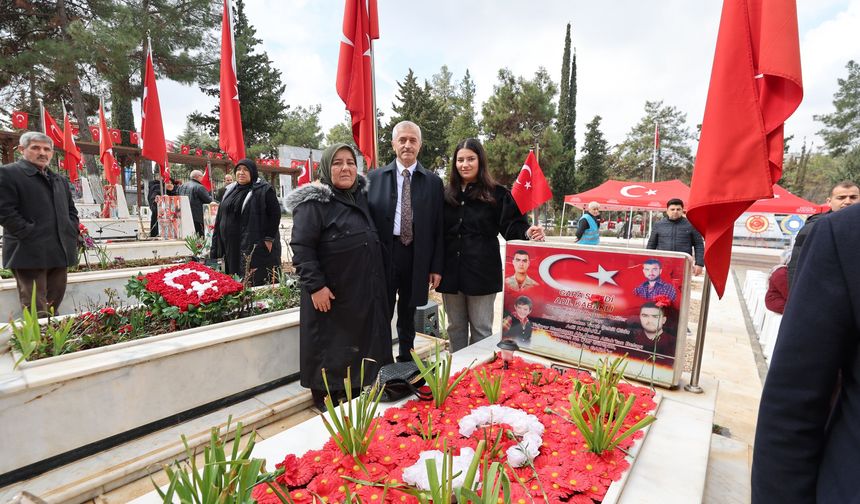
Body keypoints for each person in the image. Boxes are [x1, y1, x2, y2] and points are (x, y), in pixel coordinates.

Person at [751, 203, 860, 503]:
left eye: (853, 195)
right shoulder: (843, 234)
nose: (848, 200)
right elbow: (793, 398)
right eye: (843, 196)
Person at [286, 143, 392, 409]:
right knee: (329, 349)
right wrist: (316, 286)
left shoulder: (361, 198)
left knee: (355, 348)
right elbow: (302, 247)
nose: (345, 168)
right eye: (337, 163)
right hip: (329, 295)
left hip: (358, 292)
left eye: (351, 162)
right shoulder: (314, 203)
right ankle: (327, 400)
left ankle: (355, 393)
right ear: (326, 168)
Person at [436, 138, 544, 351]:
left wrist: (527, 232)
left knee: (481, 329)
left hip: (481, 273)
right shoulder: (446, 194)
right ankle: (455, 374)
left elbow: (512, 227)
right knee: (455, 327)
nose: (465, 164)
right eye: (460, 160)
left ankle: (476, 378)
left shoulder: (497, 194)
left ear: (480, 161)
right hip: (450, 272)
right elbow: (437, 232)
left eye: (470, 159)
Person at [367, 120, 444, 362]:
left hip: (417, 255)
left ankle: (406, 360)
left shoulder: (433, 182)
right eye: (402, 140)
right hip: (385, 255)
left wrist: (436, 267)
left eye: (412, 140)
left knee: (409, 312)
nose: (407, 145)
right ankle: (381, 361)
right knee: (382, 310)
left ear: (420, 145)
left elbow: (438, 227)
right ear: (393, 144)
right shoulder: (374, 178)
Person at [0, 131, 79, 315]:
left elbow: (71, 210)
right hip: (28, 251)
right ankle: (38, 342)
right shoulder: (8, 174)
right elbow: (4, 210)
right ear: (22, 149)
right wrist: (28, 232)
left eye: (47, 149)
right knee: (36, 308)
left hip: (59, 250)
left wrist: (70, 229)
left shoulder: (59, 179)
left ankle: (53, 341)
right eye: (35, 148)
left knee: (54, 304)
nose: (42, 153)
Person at [210, 159, 281, 286]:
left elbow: (275, 215)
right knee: (233, 274)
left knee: (251, 275)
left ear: (252, 172)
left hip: (252, 241)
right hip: (231, 243)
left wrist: (269, 239)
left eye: (245, 170)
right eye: (238, 170)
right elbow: (221, 216)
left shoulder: (264, 190)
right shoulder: (230, 189)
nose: (241, 173)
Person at [787, 181, 858, 288]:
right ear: (829, 202)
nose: (847, 201)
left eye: (853, 197)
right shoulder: (813, 228)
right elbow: (797, 267)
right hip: (825, 296)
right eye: (841, 198)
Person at [646, 198, 705, 275]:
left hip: (683, 264)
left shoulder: (691, 225)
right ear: (667, 211)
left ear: (682, 210)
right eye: (672, 209)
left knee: (682, 287)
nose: (675, 211)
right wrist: (647, 262)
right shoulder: (658, 225)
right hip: (662, 265)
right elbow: (651, 245)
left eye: (678, 209)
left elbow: (699, 245)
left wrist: (699, 264)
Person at [176, 169, 213, 236]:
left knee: (189, 236)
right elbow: (208, 200)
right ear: (198, 176)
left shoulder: (181, 186)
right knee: (200, 236)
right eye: (202, 176)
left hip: (184, 216)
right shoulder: (199, 187)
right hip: (197, 217)